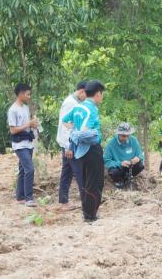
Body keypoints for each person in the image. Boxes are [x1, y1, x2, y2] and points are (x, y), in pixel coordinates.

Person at [62, 80, 105, 222]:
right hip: (91, 149)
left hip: (80, 151)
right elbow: (85, 130)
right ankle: (91, 215)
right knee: (95, 183)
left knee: (86, 181)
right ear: (98, 94)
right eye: (102, 94)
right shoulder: (90, 109)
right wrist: (81, 134)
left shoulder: (78, 107)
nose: (102, 97)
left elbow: (65, 121)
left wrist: (74, 132)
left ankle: (87, 213)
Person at [56, 81, 87, 210]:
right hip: (70, 144)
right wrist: (69, 146)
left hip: (68, 143)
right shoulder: (70, 104)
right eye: (87, 94)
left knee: (67, 171)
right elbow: (66, 126)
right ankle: (87, 202)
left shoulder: (74, 102)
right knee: (80, 172)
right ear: (81, 91)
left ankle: (64, 202)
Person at [7, 83, 38, 207]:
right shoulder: (13, 110)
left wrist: (33, 125)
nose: (29, 96)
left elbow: (27, 124)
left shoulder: (25, 108)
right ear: (20, 94)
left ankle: (20, 197)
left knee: (22, 170)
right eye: (27, 94)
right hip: (19, 145)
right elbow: (13, 130)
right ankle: (29, 198)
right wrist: (28, 124)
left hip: (28, 143)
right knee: (29, 169)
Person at [104, 122, 144, 189]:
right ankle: (119, 180)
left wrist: (138, 158)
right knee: (113, 172)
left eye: (128, 135)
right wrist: (120, 163)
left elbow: (140, 154)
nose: (126, 138)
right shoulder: (111, 144)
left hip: (131, 167)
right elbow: (107, 161)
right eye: (123, 136)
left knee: (140, 165)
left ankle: (128, 178)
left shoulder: (133, 140)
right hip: (119, 168)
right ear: (118, 134)